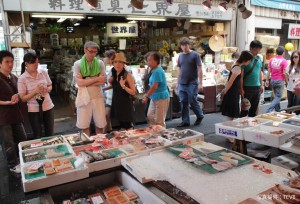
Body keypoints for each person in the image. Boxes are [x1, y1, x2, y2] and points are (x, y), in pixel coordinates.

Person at [0, 50, 26, 173]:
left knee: (22, 138)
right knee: (8, 142)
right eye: (7, 62)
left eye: (12, 61)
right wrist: (7, 102)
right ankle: (12, 165)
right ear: (0, 63)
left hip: (16, 114)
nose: (10, 64)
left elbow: (19, 92)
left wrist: (17, 95)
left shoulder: (13, 77)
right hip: (3, 117)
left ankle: (23, 160)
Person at [73, 41, 106, 136]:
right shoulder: (77, 64)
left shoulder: (100, 63)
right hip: (83, 97)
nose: (93, 54)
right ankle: (86, 145)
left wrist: (86, 79)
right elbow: (79, 83)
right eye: (91, 51)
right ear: (85, 50)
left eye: (95, 52)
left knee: (100, 124)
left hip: (98, 96)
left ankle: (100, 144)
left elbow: (103, 81)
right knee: (84, 126)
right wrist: (96, 78)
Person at [18, 52, 54, 139]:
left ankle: (51, 150)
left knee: (50, 133)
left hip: (48, 106)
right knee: (38, 135)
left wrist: (47, 89)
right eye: (33, 63)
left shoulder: (43, 72)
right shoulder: (22, 78)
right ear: (26, 64)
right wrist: (35, 91)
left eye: (37, 62)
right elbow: (23, 98)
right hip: (33, 110)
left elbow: (50, 85)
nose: (36, 65)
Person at [177, 37, 204, 127]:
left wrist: (200, 83)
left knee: (192, 99)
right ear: (180, 46)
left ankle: (200, 115)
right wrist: (177, 82)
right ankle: (185, 121)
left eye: (186, 45)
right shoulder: (180, 56)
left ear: (189, 45)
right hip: (182, 83)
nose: (184, 47)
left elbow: (200, 69)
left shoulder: (195, 55)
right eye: (182, 45)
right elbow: (179, 70)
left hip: (192, 82)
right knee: (183, 101)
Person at [221, 51, 253, 120]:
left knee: (231, 113)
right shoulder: (237, 68)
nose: (249, 62)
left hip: (232, 91)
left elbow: (229, 81)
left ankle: (228, 127)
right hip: (232, 92)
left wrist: (225, 90)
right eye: (249, 60)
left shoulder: (236, 65)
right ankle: (228, 128)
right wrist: (225, 91)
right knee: (231, 113)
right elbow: (230, 81)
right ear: (246, 59)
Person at [142, 51, 170, 127]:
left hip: (161, 97)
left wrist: (146, 96)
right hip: (154, 96)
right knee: (150, 116)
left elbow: (154, 86)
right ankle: (154, 132)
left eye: (150, 60)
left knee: (159, 120)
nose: (148, 62)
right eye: (147, 60)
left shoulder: (158, 71)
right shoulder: (152, 69)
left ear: (156, 60)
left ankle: (161, 135)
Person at [110, 53, 136, 130]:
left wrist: (123, 86)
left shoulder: (127, 75)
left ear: (124, 64)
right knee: (122, 127)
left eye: (120, 62)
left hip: (126, 105)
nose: (117, 64)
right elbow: (115, 86)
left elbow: (133, 92)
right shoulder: (115, 74)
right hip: (117, 103)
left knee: (128, 127)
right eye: (115, 62)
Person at [240, 40, 264, 117]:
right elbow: (241, 75)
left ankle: (250, 127)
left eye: (258, 50)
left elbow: (260, 72)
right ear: (250, 48)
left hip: (257, 87)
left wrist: (261, 84)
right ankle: (241, 126)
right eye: (255, 50)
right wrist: (241, 88)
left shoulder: (258, 58)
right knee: (244, 110)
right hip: (247, 87)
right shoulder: (245, 58)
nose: (257, 52)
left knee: (253, 110)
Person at [265, 46, 288, 112]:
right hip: (280, 80)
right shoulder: (284, 61)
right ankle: (268, 110)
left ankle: (278, 111)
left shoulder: (271, 60)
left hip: (272, 80)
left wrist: (267, 80)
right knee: (278, 97)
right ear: (283, 52)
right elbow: (284, 73)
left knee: (276, 97)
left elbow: (268, 71)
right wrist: (286, 82)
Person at [102, 49, 116, 133]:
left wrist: (102, 89)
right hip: (109, 96)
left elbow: (113, 85)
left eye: (105, 57)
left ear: (110, 58)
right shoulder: (110, 68)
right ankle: (108, 131)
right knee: (107, 116)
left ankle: (102, 134)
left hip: (112, 96)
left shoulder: (113, 69)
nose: (104, 59)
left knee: (105, 115)